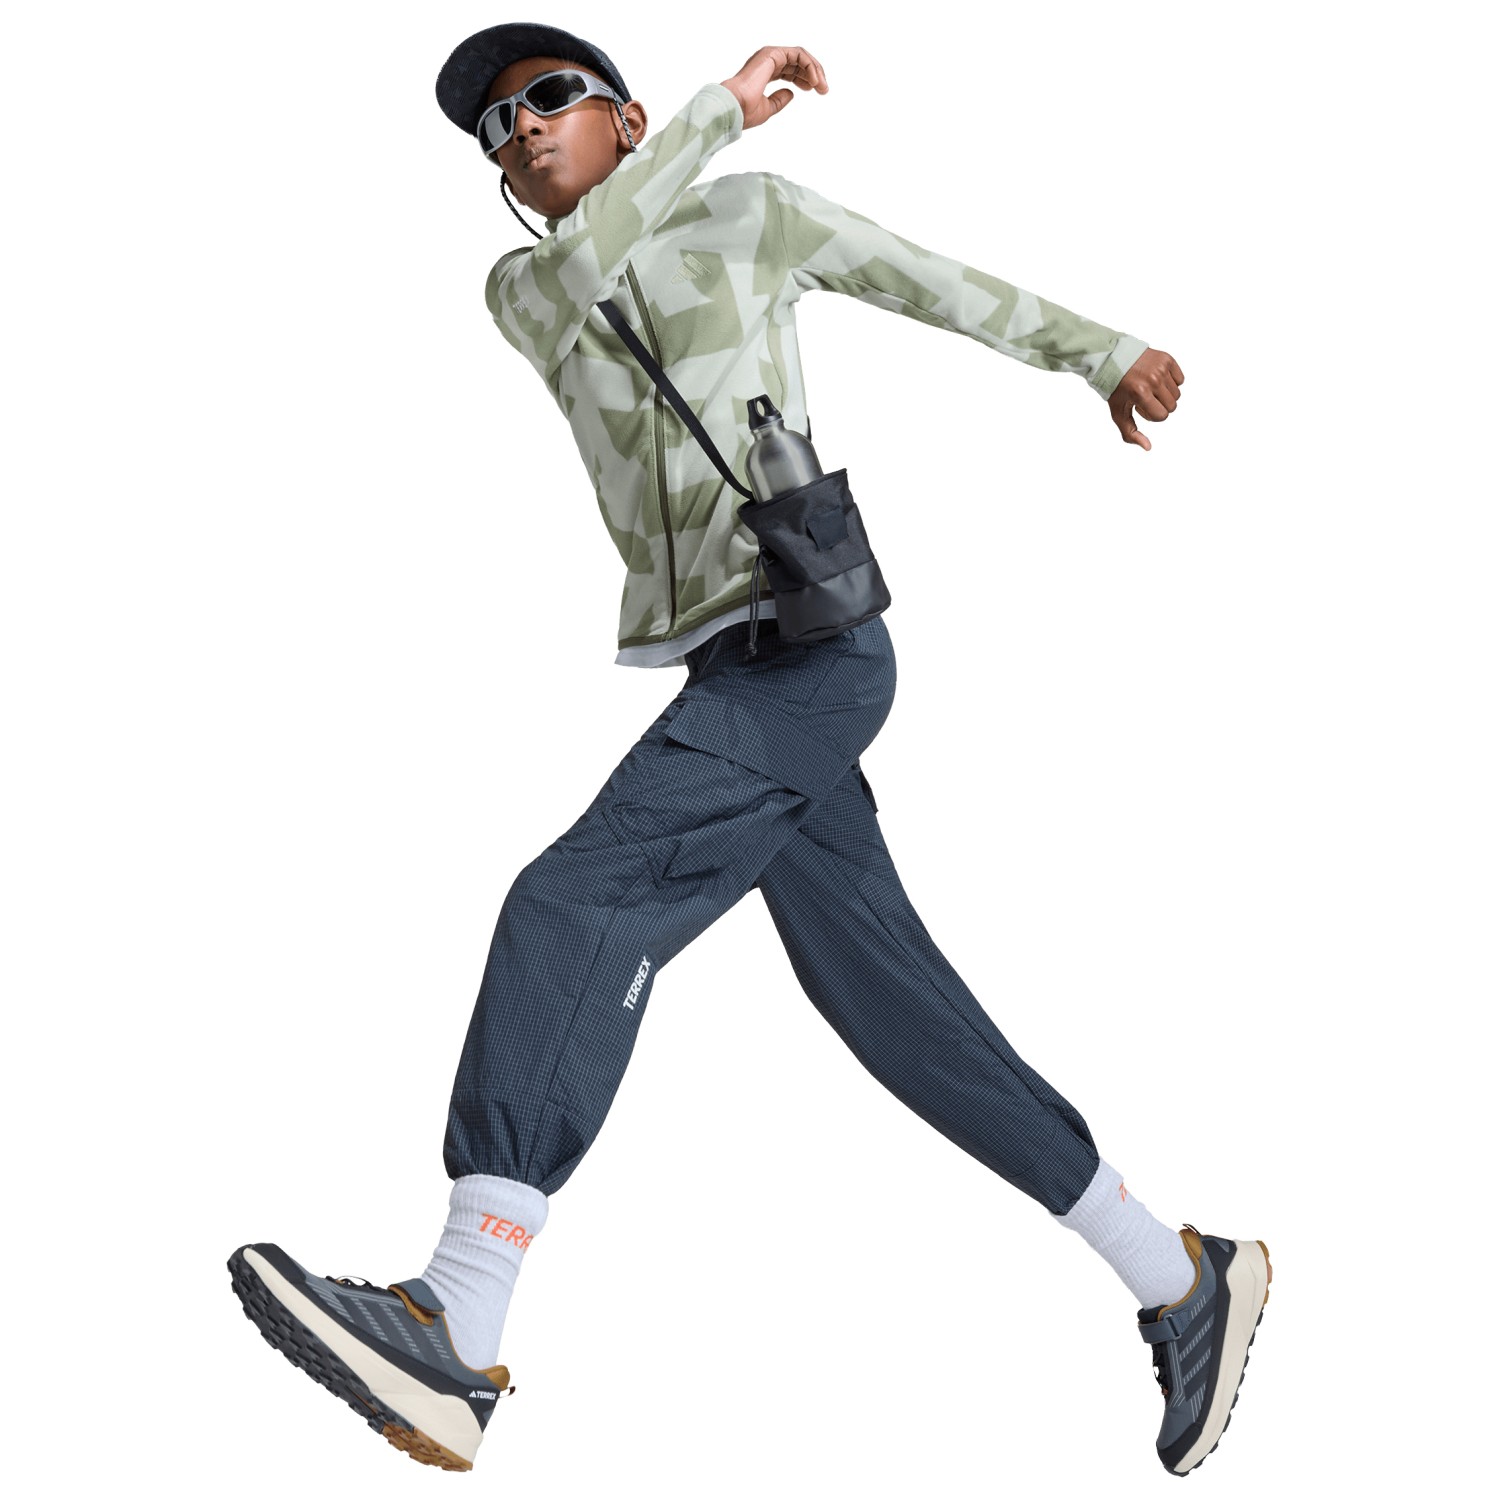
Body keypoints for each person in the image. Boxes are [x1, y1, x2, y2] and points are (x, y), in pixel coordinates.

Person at [229, 22, 1270, 1478]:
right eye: (497, 127)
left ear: (625, 117)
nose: (520, 128)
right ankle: (1179, 1274)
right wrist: (716, 112)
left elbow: (924, 279)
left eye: (549, 97)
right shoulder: (525, 287)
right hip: (733, 668)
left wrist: (1101, 354)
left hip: (816, 655)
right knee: (898, 1012)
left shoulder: (750, 212)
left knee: (577, 903)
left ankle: (459, 1316)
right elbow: (589, 271)